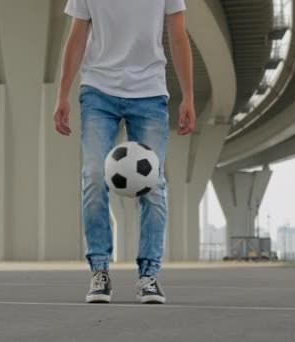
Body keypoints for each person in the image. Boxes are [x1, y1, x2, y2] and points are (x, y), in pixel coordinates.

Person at [54, 0, 195, 304]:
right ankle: (100, 271)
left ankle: (149, 276)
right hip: (97, 90)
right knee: (93, 175)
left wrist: (188, 96)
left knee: (154, 185)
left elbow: (179, 35)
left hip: (150, 92)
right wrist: (62, 94)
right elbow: (77, 36)